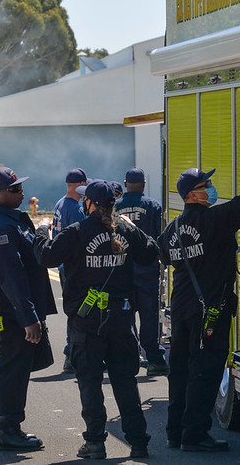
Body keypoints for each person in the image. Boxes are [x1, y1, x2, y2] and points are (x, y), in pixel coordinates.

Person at [33, 180, 157, 459]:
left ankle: (95, 443)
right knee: (125, 381)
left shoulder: (77, 232)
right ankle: (138, 441)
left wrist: (41, 231)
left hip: (87, 322)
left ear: (89, 203)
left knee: (89, 383)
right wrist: (132, 227)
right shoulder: (125, 229)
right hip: (121, 320)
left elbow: (46, 256)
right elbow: (151, 252)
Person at [158, 137, 240, 452]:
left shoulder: (172, 228)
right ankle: (195, 435)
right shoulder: (214, 221)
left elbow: (162, 255)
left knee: (180, 370)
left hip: (181, 308)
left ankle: (175, 432)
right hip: (209, 313)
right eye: (206, 185)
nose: (211, 189)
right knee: (205, 370)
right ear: (193, 195)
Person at [0, 167, 58, 451]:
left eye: (20, 187)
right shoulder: (0, 226)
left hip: (1, 306)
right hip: (6, 310)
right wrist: (29, 318)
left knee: (9, 367)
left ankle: (2, 426)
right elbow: (11, 276)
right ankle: (7, 431)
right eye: (14, 189)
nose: (21, 193)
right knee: (11, 369)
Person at [115, 167, 168, 376]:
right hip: (147, 270)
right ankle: (153, 359)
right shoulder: (153, 206)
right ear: (144, 184)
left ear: (125, 184)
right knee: (149, 316)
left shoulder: (115, 207)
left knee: (124, 316)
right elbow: (160, 237)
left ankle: (129, 357)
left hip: (121, 272)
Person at [53, 167, 88, 373]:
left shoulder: (60, 203)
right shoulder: (75, 208)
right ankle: (71, 356)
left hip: (64, 265)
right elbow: (83, 238)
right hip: (74, 267)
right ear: (79, 185)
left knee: (73, 311)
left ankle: (72, 354)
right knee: (78, 312)